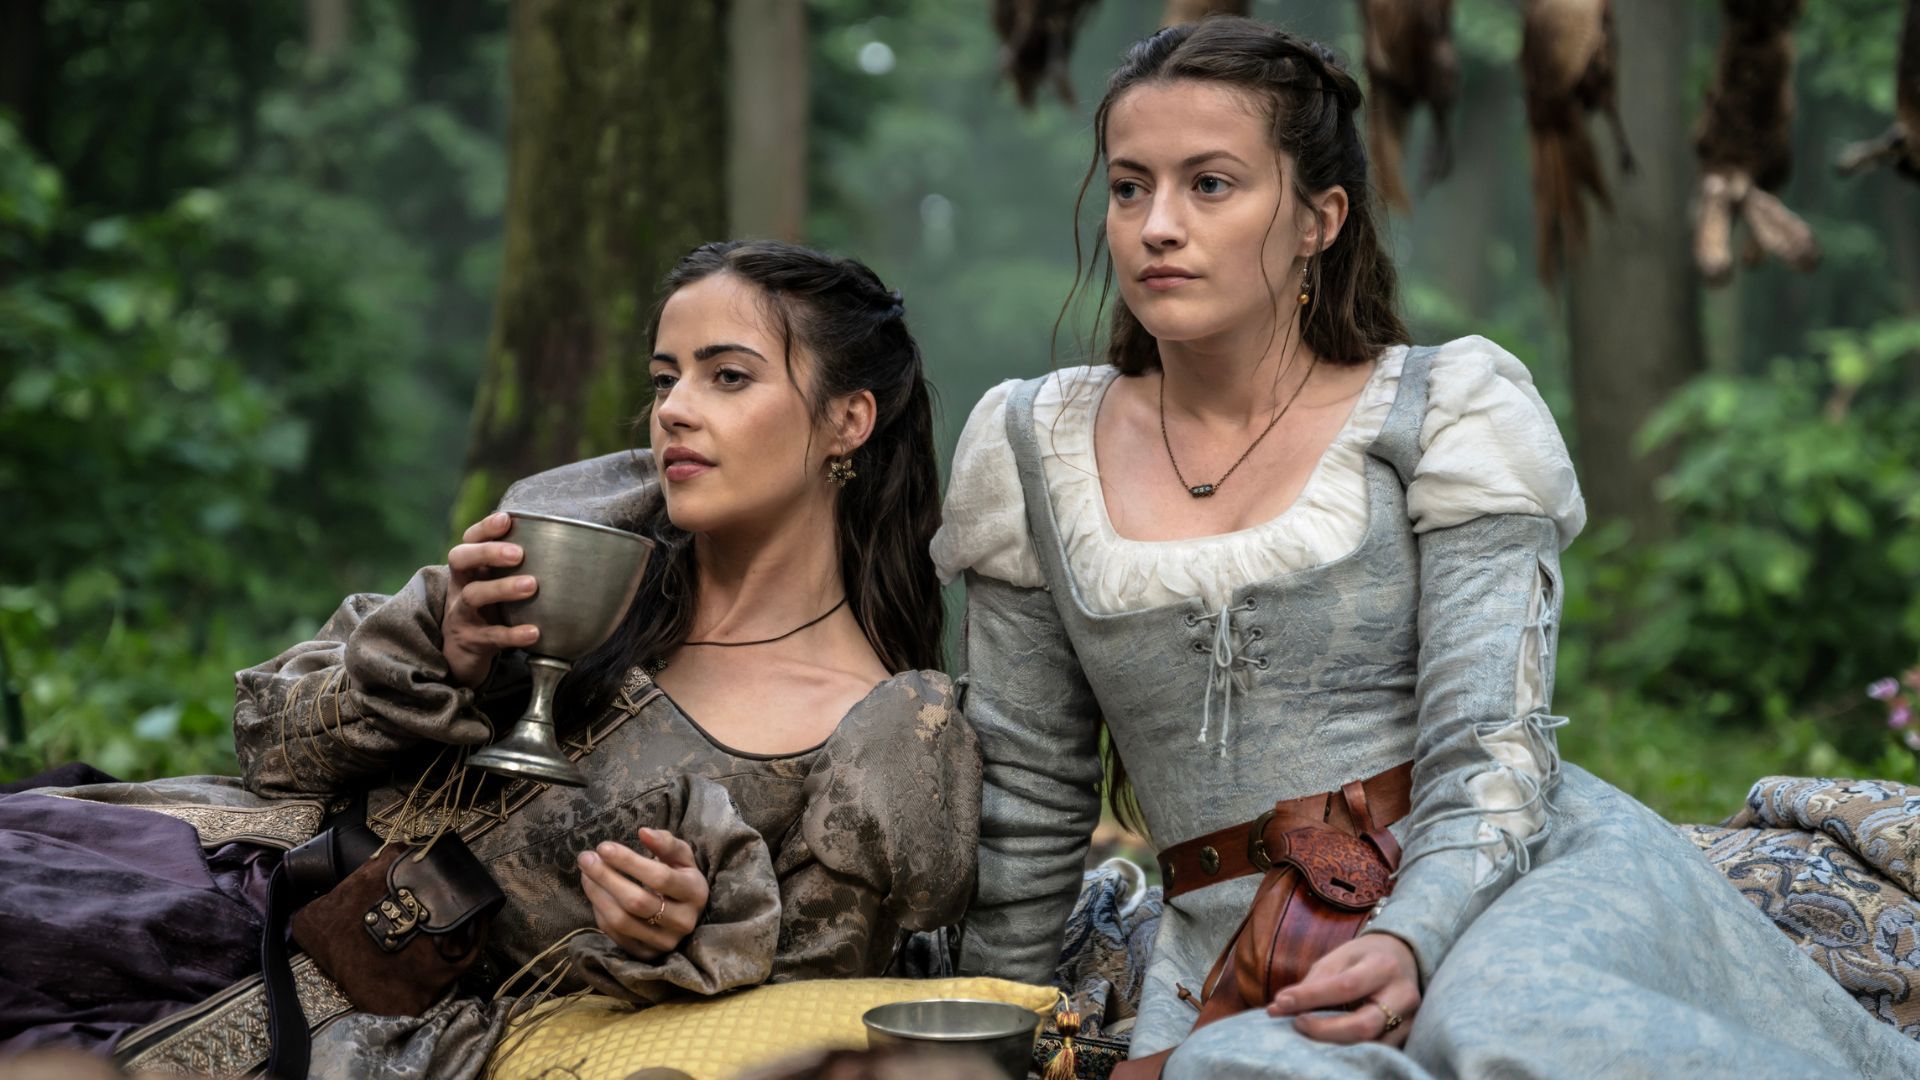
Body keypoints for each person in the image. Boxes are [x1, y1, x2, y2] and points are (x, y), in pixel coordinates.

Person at [935, 17, 1920, 1078]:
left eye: (1210, 185)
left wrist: (1413, 936)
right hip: (1247, 949)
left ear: (1320, 217)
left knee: (1513, 1031)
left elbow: (1488, 751)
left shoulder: (1445, 411)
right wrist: (987, 1037)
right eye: (1130, 187)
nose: (1155, 226)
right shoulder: (1033, 444)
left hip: (1502, 882)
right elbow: (1029, 800)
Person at [0, 240, 980, 1078]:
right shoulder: (585, 554)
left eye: (727, 376)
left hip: (364, 1019)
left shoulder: (881, 738)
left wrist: (679, 931)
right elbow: (271, 743)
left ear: (848, 420)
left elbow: (812, 999)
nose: (675, 409)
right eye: (664, 378)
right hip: (222, 875)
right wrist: (446, 654)